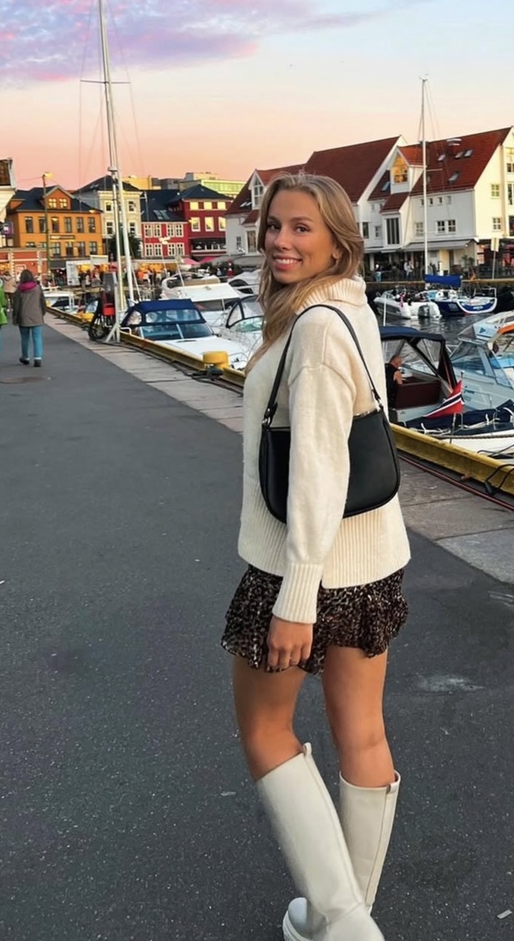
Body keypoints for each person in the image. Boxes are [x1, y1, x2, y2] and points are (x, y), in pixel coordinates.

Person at [222, 173, 410, 941]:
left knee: (265, 733)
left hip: (303, 569)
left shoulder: (315, 328)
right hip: (371, 563)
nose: (279, 240)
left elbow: (318, 469)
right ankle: (343, 916)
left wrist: (295, 595)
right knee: (361, 732)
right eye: (273, 225)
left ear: (337, 239)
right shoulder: (350, 309)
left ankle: (344, 925)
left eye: (301, 227)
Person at [12, 268, 47, 367]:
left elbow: (16, 305)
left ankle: (25, 357)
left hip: (23, 316)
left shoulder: (19, 290)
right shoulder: (38, 288)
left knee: (25, 338)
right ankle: (38, 358)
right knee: (37, 338)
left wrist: (15, 317)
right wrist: (42, 313)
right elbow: (43, 302)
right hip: (36, 316)